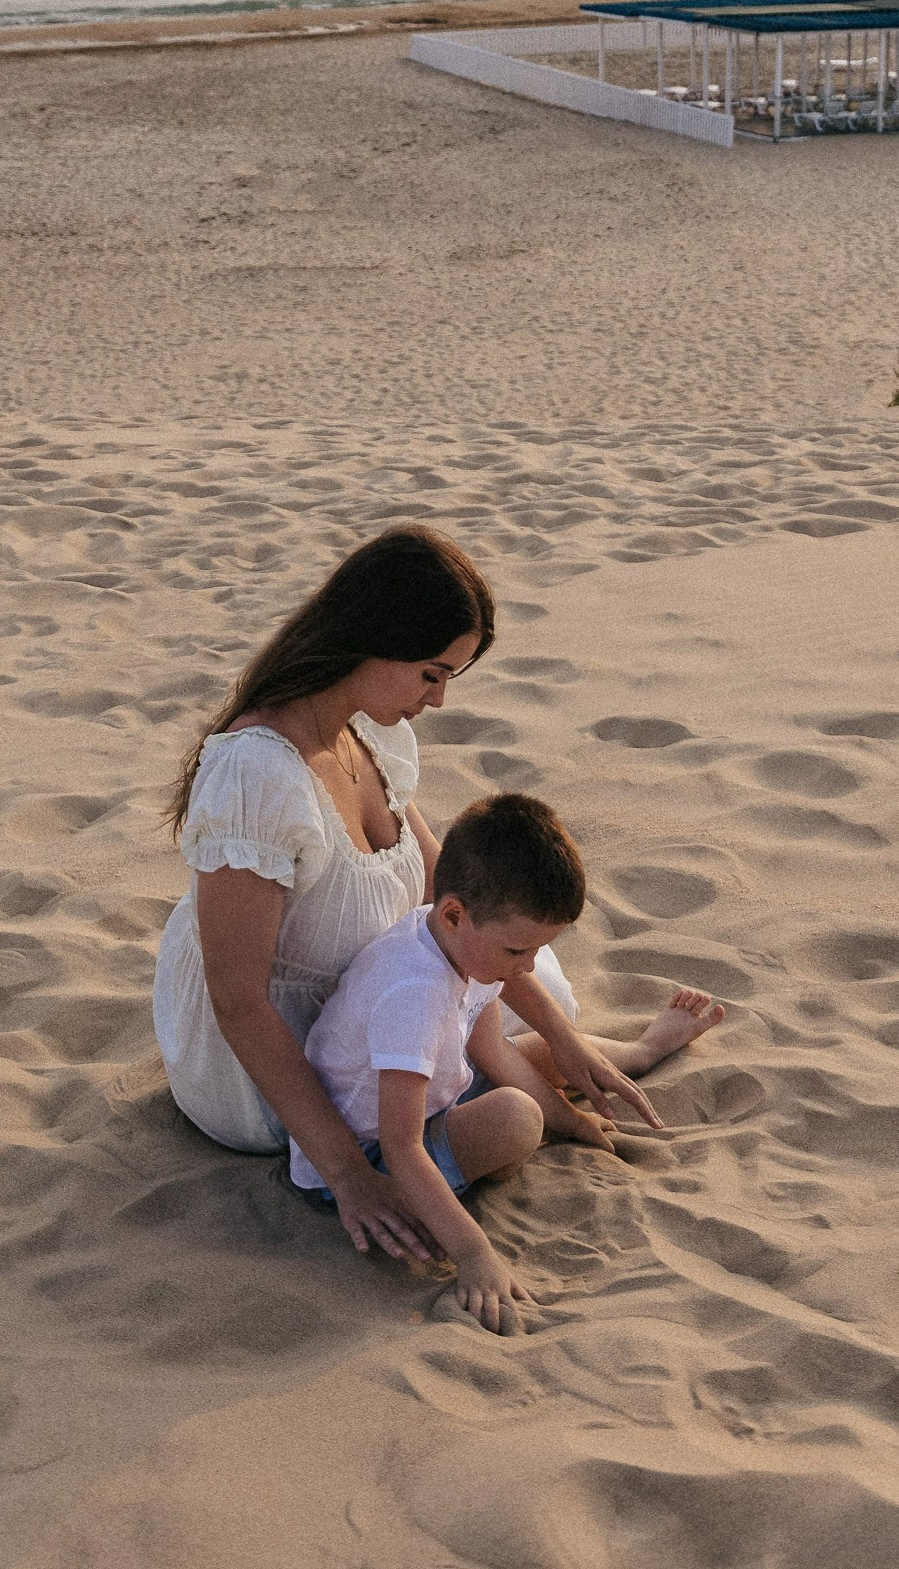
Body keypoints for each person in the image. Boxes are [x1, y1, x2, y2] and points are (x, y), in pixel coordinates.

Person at [152, 525, 723, 1265]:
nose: (441, 698)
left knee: (540, 988)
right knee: (486, 1050)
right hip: (263, 1063)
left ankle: (603, 1055)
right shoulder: (257, 776)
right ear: (370, 638)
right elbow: (237, 999)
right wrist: (351, 1177)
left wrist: (560, 1037)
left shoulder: (373, 739)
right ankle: (445, 1126)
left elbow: (448, 896)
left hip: (368, 992)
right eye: (430, 672)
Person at [295, 791, 647, 1333]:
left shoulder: (458, 946)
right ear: (456, 913)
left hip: (438, 1088)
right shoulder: (414, 993)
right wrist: (476, 1255)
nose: (528, 967)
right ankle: (460, 1189)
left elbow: (493, 1050)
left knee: (536, 1059)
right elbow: (401, 1143)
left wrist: (572, 1122)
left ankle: (643, 1052)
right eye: (517, 951)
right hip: (366, 1155)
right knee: (516, 1118)